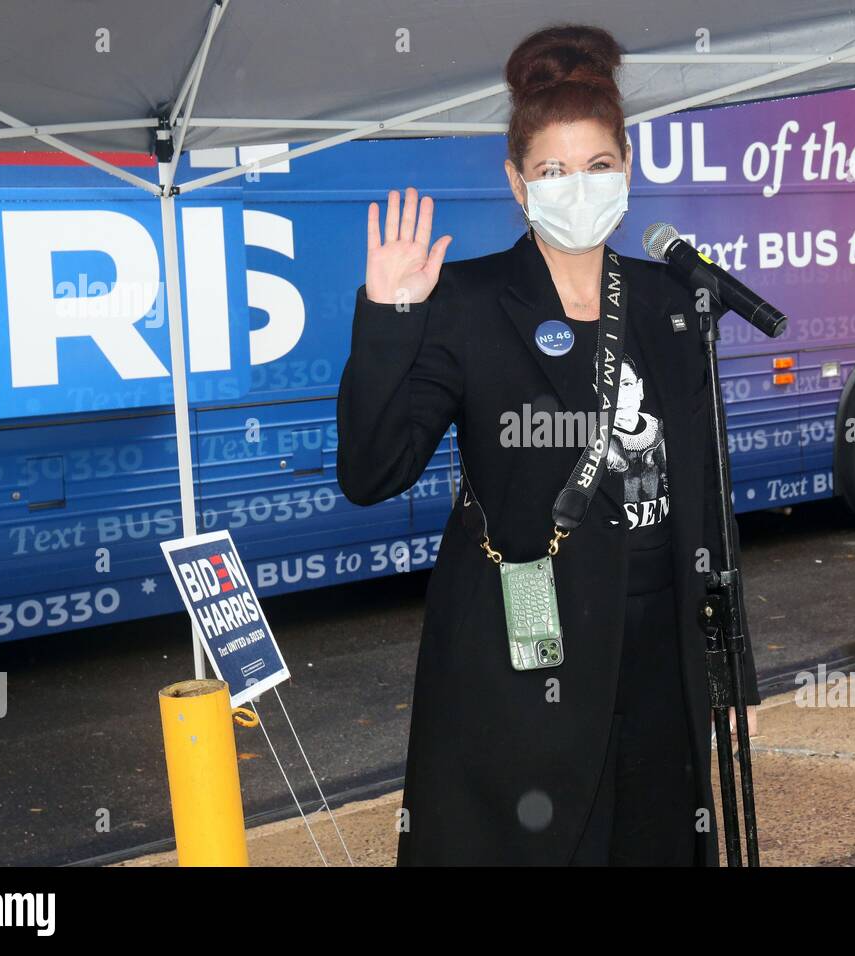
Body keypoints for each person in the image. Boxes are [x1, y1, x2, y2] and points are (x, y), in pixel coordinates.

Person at [337, 22, 760, 866]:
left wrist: (723, 662)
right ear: (517, 183)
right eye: (553, 170)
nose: (579, 186)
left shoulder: (671, 301)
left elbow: (705, 492)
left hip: (658, 654)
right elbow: (371, 472)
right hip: (524, 657)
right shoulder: (467, 300)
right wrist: (389, 320)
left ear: (627, 170)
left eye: (598, 166)